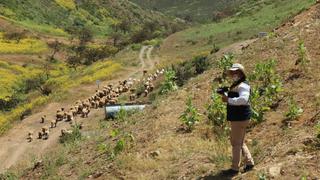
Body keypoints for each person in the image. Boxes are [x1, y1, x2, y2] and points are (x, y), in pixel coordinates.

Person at [220, 63, 255, 176]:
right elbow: (236, 97)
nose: (234, 74)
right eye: (233, 72)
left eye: (236, 72)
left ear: (241, 73)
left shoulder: (243, 85)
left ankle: (234, 169)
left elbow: (243, 100)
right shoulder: (238, 84)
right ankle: (249, 162)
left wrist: (228, 99)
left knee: (236, 143)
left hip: (240, 117)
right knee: (238, 141)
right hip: (238, 117)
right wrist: (225, 93)